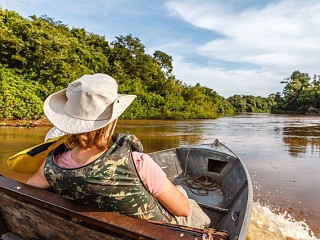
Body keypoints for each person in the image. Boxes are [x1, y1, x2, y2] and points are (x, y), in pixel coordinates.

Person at [27, 73, 210, 228]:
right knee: (186, 200)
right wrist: (181, 193)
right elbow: (182, 210)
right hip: (152, 231)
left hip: (92, 228)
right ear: (112, 121)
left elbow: (31, 186)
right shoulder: (138, 162)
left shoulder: (52, 165)